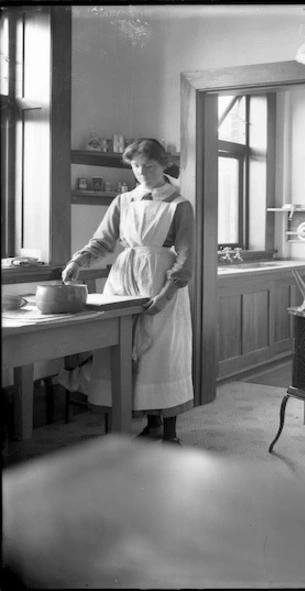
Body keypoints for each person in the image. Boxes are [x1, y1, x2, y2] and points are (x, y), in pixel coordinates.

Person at [62, 138, 195, 445]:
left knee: (161, 352)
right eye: (135, 166)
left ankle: (170, 432)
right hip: (123, 279)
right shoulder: (123, 202)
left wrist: (165, 294)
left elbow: (186, 255)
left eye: (148, 165)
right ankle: (150, 425)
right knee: (122, 349)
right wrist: (77, 262)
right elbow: (103, 240)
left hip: (160, 279)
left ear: (163, 165)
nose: (141, 172)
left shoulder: (178, 205)